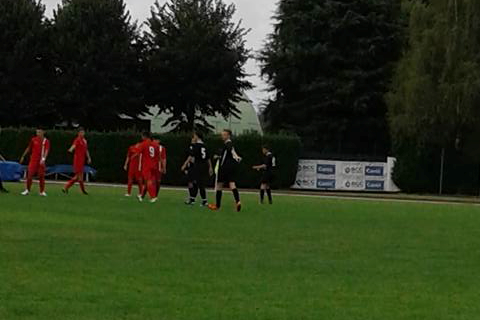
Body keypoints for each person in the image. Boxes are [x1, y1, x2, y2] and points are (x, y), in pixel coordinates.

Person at [208, 129, 242, 212]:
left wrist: (236, 156)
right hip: (231, 167)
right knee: (232, 184)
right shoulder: (228, 144)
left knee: (219, 185)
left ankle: (217, 206)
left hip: (224, 167)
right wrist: (218, 156)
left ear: (228, 136)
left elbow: (231, 151)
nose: (222, 136)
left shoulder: (228, 144)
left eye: (224, 135)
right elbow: (228, 155)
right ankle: (238, 201)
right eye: (222, 134)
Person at [181, 132, 213, 206]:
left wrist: (184, 164)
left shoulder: (196, 146)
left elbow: (191, 156)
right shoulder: (205, 146)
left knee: (198, 183)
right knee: (196, 182)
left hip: (198, 165)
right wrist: (210, 167)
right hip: (204, 165)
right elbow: (208, 158)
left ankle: (204, 201)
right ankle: (192, 199)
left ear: (198, 137)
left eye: (195, 136)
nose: (194, 137)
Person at [20, 128, 50, 196]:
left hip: (41, 160)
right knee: (30, 175)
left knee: (41, 176)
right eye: (37, 132)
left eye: (39, 132)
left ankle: (42, 191)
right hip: (33, 160)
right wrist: (23, 156)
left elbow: (46, 150)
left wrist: (43, 159)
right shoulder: (33, 139)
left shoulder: (46, 141)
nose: (38, 134)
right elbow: (29, 148)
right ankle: (27, 190)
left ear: (43, 132)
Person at [63, 127, 92, 195]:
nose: (82, 134)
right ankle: (66, 187)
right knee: (79, 176)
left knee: (79, 177)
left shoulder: (84, 141)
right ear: (78, 133)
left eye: (83, 132)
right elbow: (74, 145)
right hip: (77, 160)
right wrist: (71, 149)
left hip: (82, 160)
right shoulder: (77, 140)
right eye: (81, 132)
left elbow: (86, 150)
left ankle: (80, 190)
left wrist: (89, 157)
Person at [137, 132, 159, 203]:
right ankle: (142, 195)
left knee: (148, 180)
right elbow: (157, 156)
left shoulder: (143, 144)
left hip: (147, 165)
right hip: (154, 165)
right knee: (151, 181)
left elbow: (138, 152)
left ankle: (153, 197)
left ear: (144, 137)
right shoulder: (155, 145)